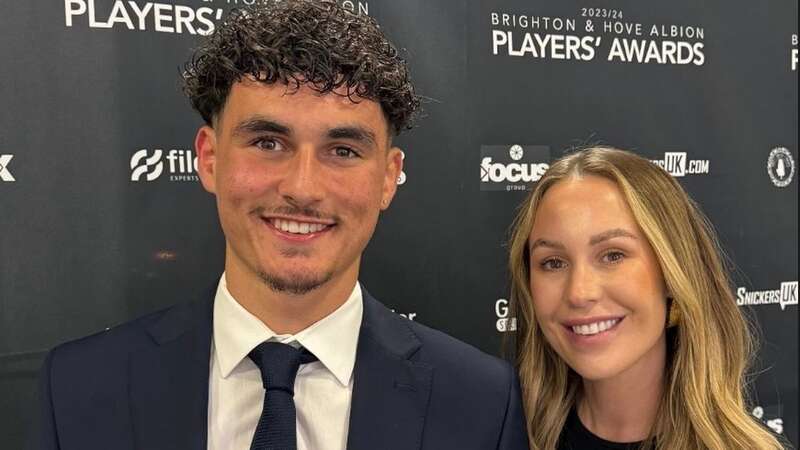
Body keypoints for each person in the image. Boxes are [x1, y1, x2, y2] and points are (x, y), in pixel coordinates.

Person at [38, 2, 529, 450]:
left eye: (343, 151)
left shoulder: (482, 403)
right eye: (269, 142)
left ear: (388, 177)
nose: (303, 187)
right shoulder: (81, 387)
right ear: (209, 159)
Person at [507, 147, 785, 449]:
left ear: (672, 271)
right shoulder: (501, 437)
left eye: (613, 255)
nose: (579, 293)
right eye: (553, 263)